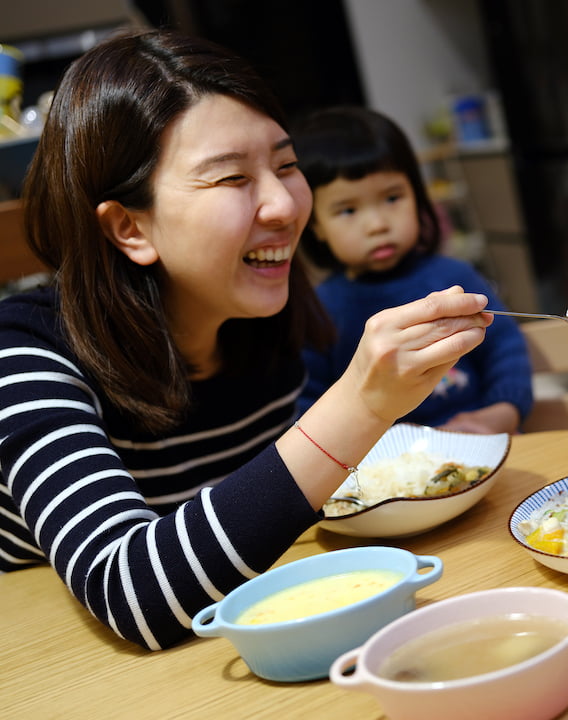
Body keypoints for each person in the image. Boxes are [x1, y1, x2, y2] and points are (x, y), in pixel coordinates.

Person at [0, 29, 494, 650]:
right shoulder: (24, 355)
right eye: (232, 179)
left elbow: (260, 515)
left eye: (287, 166)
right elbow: (131, 591)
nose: (285, 205)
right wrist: (361, 404)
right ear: (130, 226)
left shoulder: (260, 320)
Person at [293, 106, 533, 434]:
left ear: (417, 196)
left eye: (392, 198)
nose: (377, 224)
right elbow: (307, 414)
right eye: (348, 209)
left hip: (484, 444)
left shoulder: (455, 280)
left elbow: (506, 353)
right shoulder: (317, 314)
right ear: (314, 224)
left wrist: (501, 414)